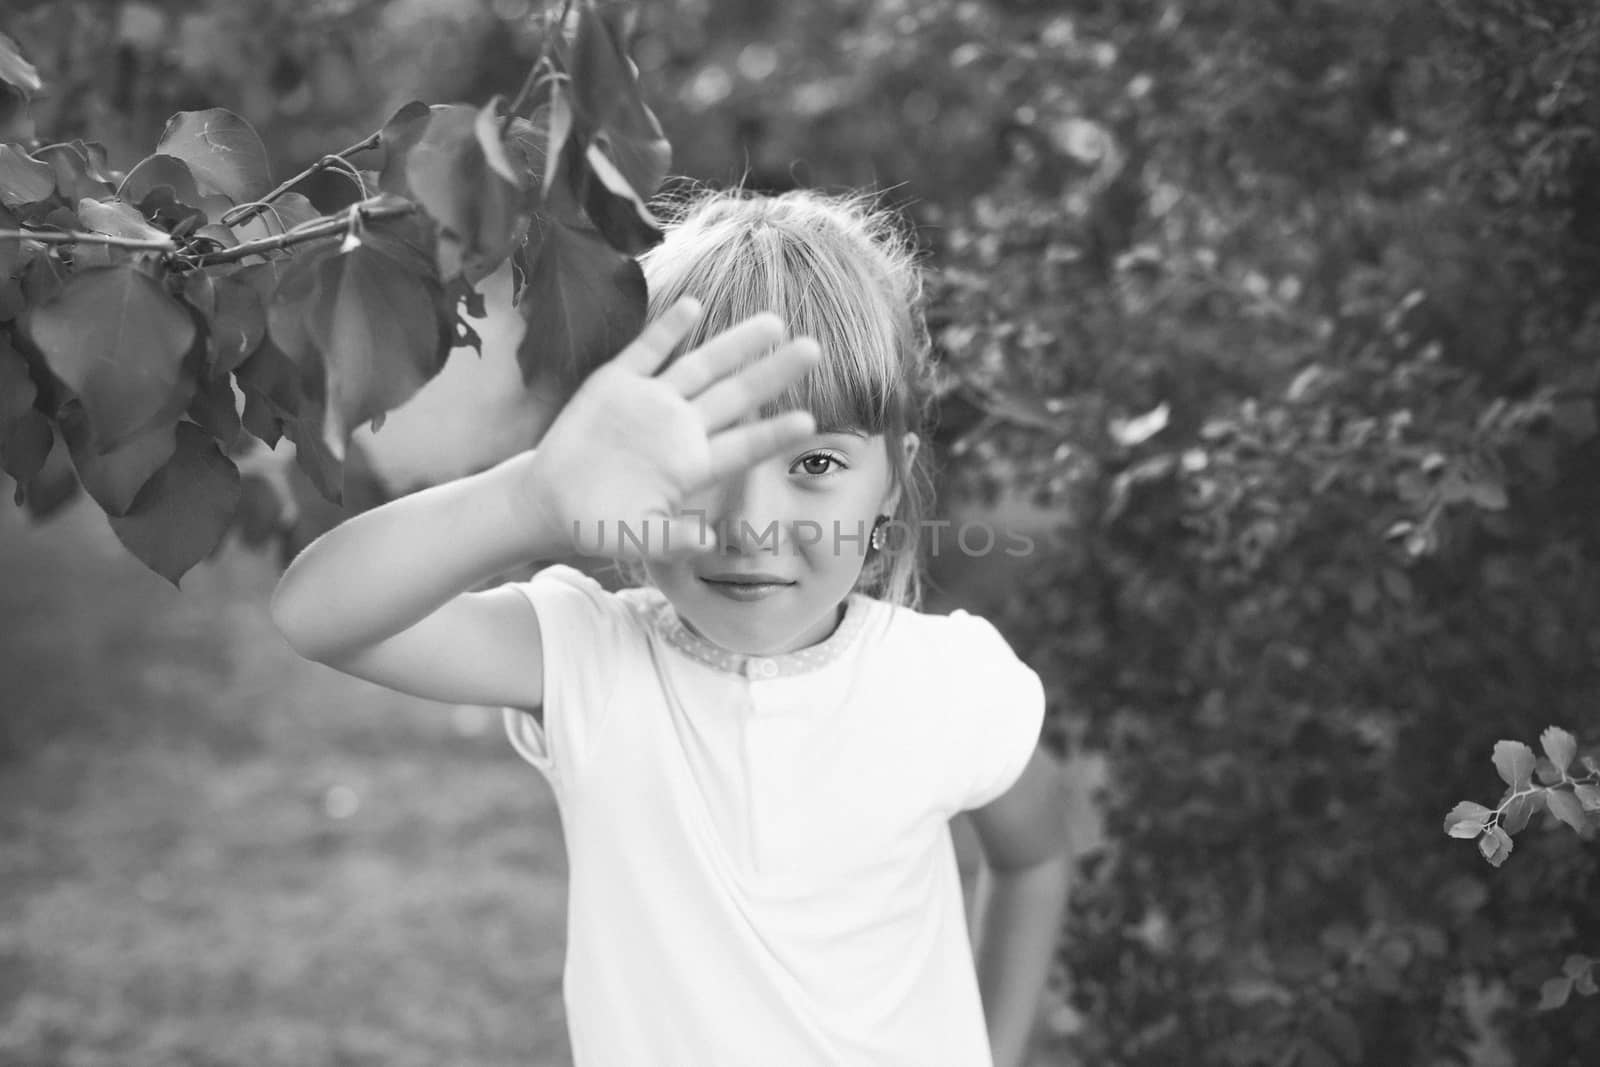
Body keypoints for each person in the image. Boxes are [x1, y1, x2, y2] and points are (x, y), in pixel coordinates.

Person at [270, 188, 1072, 1067]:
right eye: (698, 451)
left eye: (814, 463)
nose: (748, 522)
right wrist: (530, 501)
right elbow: (319, 615)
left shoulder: (946, 683)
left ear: (892, 480)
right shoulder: (592, 660)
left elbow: (1033, 856)